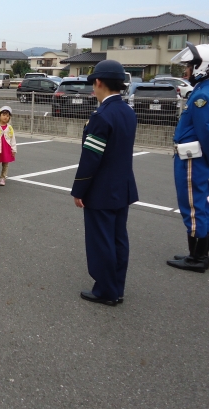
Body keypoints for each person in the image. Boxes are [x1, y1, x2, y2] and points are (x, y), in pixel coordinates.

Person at [71, 60, 138, 306]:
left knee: (101, 241)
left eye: (94, 83)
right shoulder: (128, 111)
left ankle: (105, 290)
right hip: (123, 187)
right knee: (119, 238)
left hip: (101, 190)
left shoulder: (101, 116)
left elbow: (91, 159)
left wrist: (79, 190)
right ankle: (117, 287)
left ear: (99, 82)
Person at [167, 43, 209, 273]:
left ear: (204, 66)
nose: (186, 70)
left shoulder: (202, 95)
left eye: (190, 65)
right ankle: (198, 254)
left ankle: (197, 258)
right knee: (200, 205)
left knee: (193, 206)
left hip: (192, 160)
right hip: (197, 158)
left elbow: (207, 131)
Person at [0, 106, 17, 186]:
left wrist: (14, 150)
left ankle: (3, 178)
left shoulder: (10, 128)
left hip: (6, 148)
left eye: (7, 116)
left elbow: (13, 139)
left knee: (5, 164)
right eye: (4, 115)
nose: (5, 117)